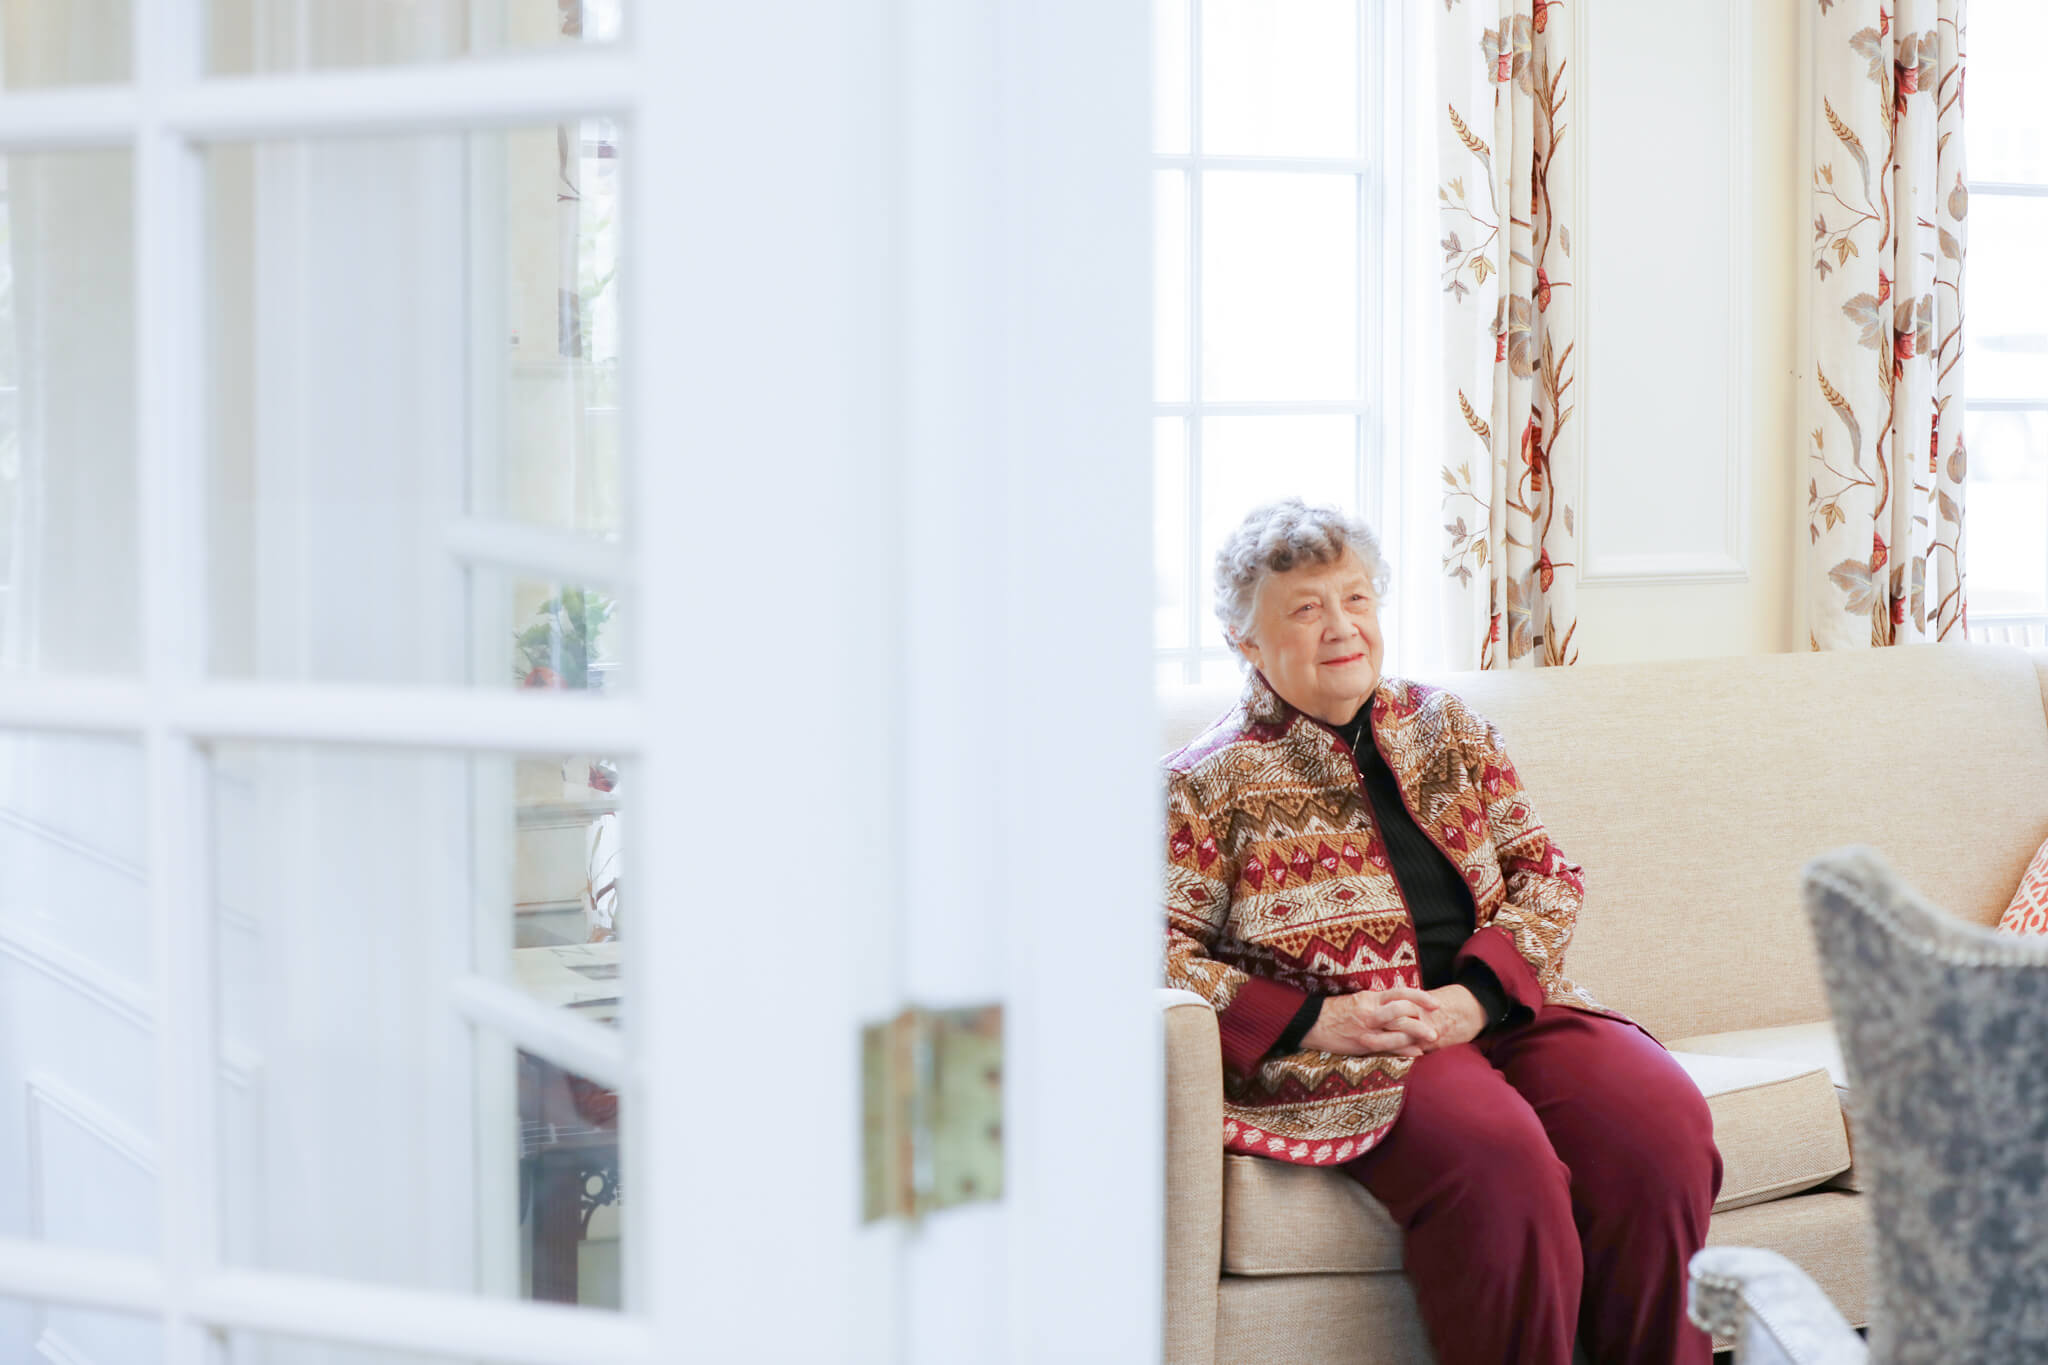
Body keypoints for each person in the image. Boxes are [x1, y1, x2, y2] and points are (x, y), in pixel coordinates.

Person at [1163, 499, 1722, 1365]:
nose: (1342, 627)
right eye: (1306, 608)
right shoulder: (1203, 784)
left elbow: (1547, 873)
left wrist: (1478, 994)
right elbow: (1153, 957)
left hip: (1502, 1006)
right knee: (1502, 1164)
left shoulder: (1447, 725)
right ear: (1244, 640)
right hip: (1362, 1051)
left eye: (1356, 598)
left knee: (1662, 1124)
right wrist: (1318, 1020)